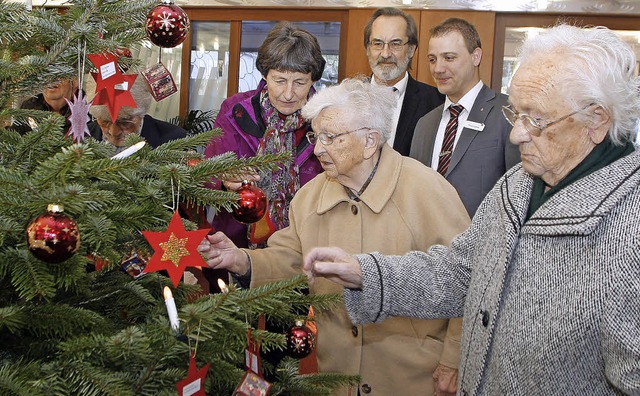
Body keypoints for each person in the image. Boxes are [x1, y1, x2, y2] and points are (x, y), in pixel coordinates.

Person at [304, 24, 640, 395]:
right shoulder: (517, 187)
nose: (516, 134)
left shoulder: (629, 223)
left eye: (537, 119)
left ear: (596, 120)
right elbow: (461, 272)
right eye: (517, 114)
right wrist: (366, 272)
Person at [198, 77, 470, 395]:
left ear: (370, 141)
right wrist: (241, 260)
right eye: (316, 135)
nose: (317, 148)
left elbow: (467, 279)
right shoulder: (311, 197)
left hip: (411, 379)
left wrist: (453, 360)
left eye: (330, 137)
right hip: (337, 378)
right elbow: (291, 258)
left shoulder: (427, 191)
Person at [204, 22, 324, 252]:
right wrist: (224, 178)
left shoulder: (326, 119)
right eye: (279, 80)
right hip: (235, 246)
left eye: (299, 82)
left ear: (313, 80)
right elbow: (206, 178)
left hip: (307, 249)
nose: (288, 94)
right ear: (264, 75)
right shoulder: (235, 110)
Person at [410, 18, 520, 217]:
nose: (438, 68)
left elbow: (520, 192)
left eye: (449, 58)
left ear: (476, 56)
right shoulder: (424, 125)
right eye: (433, 59)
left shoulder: (508, 114)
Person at [364, 7, 444, 156]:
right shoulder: (347, 97)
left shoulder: (436, 102)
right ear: (368, 49)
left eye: (395, 44)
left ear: (412, 49)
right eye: (377, 43)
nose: (386, 53)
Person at [89, 74, 187, 151]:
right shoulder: (81, 136)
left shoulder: (175, 139)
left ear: (141, 114)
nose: (114, 132)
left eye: (124, 122)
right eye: (105, 122)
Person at [16, 78, 83, 134]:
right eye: (46, 74)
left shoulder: (87, 113)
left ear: (74, 82)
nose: (51, 79)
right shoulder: (28, 108)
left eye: (59, 74)